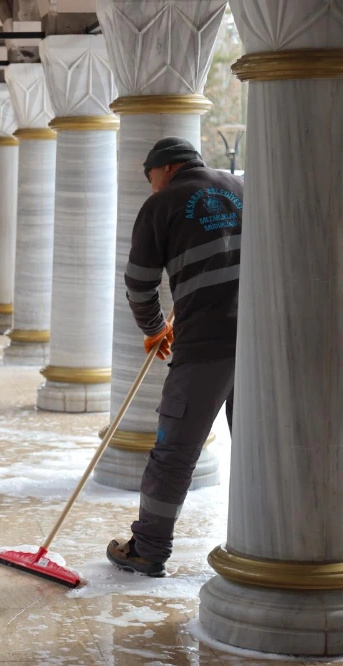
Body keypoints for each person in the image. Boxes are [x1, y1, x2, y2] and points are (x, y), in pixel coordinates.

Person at [107, 137, 243, 577]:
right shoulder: (242, 188)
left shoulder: (162, 204)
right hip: (264, 343)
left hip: (205, 344)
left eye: (150, 180)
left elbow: (139, 284)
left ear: (165, 170)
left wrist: (154, 330)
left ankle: (147, 548)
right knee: (260, 448)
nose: (151, 188)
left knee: (174, 451)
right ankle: (266, 542)